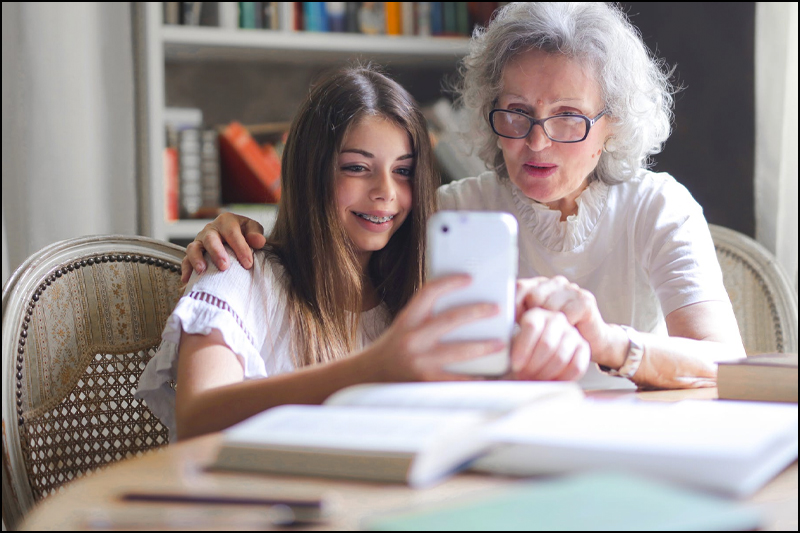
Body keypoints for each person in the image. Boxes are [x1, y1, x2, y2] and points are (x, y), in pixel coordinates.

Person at [184, 3, 745, 391]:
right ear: (487, 111)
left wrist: (606, 341)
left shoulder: (657, 206)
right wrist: (235, 229)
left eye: (568, 117)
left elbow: (727, 364)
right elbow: (334, 243)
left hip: (633, 448)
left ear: (612, 127)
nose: (536, 141)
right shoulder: (448, 211)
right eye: (517, 113)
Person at [136, 65, 589, 442]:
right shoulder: (238, 272)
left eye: (404, 172)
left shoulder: (416, 294)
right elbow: (197, 418)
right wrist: (374, 368)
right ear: (311, 172)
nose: (386, 194)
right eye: (357, 168)